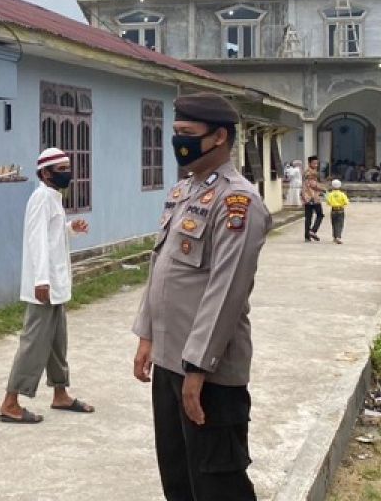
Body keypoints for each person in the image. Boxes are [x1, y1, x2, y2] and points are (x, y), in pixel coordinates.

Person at [132, 92, 271, 501]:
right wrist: (147, 335)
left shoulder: (237, 201)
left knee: (217, 484)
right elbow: (162, 268)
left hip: (209, 372)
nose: (180, 143)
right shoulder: (184, 193)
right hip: (169, 360)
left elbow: (225, 292)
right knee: (178, 478)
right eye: (176, 133)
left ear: (219, 138)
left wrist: (197, 369)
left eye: (188, 134)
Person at [0, 147, 93, 424]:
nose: (67, 173)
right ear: (46, 173)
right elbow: (36, 240)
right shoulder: (41, 198)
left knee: (56, 341)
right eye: (61, 169)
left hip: (55, 283)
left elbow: (52, 236)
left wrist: (71, 228)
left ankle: (60, 393)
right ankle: (10, 402)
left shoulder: (53, 198)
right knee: (34, 342)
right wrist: (41, 279)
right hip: (45, 284)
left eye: (68, 168)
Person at [301, 156, 323, 242]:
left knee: (308, 217)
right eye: (314, 163)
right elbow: (314, 185)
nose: (316, 165)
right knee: (320, 215)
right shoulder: (311, 173)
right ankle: (313, 231)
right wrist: (323, 189)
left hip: (306, 197)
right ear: (309, 163)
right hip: (313, 197)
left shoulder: (306, 172)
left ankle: (307, 236)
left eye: (317, 163)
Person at [325, 179, 349, 245]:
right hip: (341, 210)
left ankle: (335, 237)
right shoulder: (342, 194)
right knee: (340, 224)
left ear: (332, 186)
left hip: (333, 210)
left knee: (334, 223)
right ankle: (338, 237)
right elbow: (346, 202)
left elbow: (328, 202)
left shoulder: (330, 194)